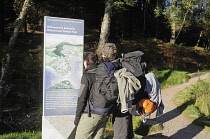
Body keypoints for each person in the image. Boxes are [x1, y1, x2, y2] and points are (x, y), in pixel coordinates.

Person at [74, 51, 109, 139]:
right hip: (105, 112)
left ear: (86, 61)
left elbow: (81, 98)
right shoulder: (104, 73)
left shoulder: (86, 76)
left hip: (91, 113)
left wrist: (77, 117)